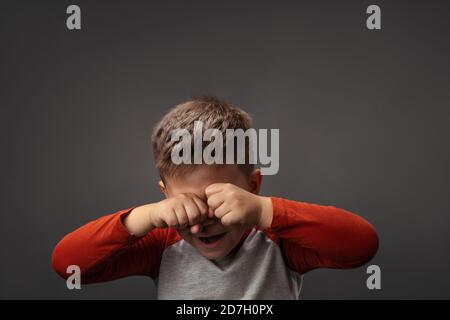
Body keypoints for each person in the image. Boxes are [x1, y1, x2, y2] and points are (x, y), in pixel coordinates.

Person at [52, 96, 379, 299]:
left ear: (252, 187)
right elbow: (69, 265)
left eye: (218, 202)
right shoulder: (163, 245)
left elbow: (361, 244)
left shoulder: (278, 243)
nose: (203, 223)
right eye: (188, 205)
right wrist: (147, 217)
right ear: (166, 196)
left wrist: (265, 211)